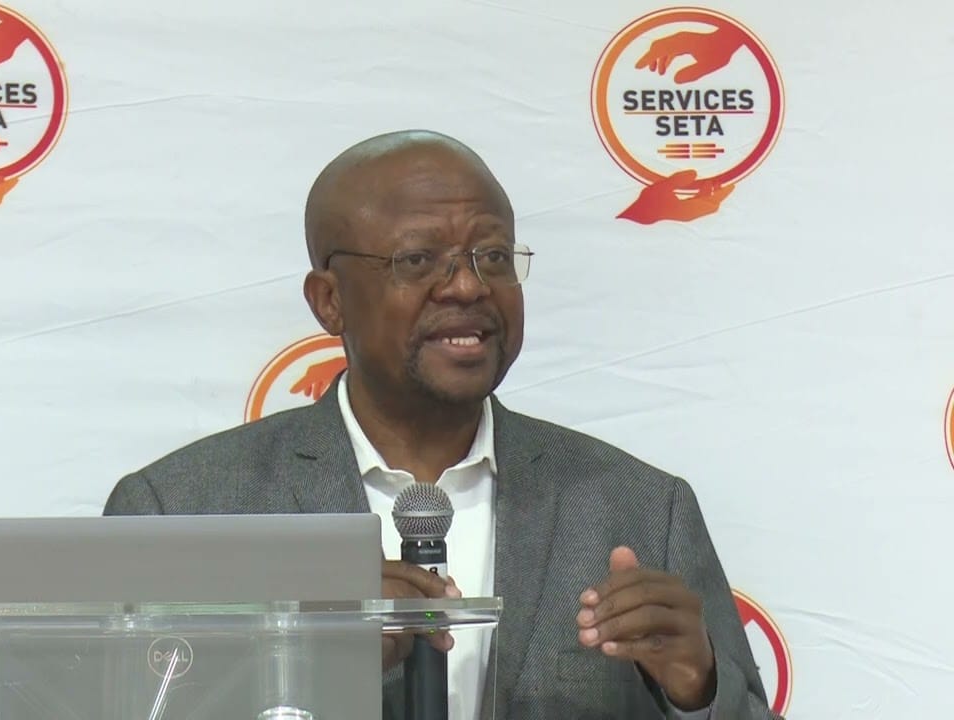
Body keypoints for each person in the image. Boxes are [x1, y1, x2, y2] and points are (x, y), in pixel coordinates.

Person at [104, 129, 778, 719]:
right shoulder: (181, 512)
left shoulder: (639, 509)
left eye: (493, 256)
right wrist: (305, 670)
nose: (467, 286)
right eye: (418, 260)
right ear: (329, 301)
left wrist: (695, 687)